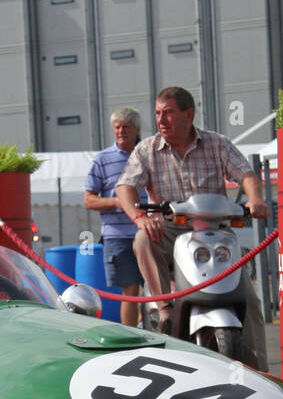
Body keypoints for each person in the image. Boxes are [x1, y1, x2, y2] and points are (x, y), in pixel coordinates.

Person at [115, 86, 269, 369]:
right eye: (158, 114)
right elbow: (125, 186)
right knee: (141, 239)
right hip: (169, 231)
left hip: (216, 233)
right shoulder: (147, 149)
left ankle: (262, 372)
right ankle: (164, 310)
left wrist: (256, 199)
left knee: (249, 300)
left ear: (189, 114)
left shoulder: (217, 143)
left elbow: (245, 173)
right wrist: (140, 216)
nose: (161, 120)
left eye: (169, 113)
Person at [84, 107, 143, 327]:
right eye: (117, 127)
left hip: (150, 230)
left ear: (137, 129)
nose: (120, 131)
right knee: (130, 289)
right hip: (118, 235)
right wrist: (118, 202)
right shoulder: (102, 159)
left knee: (161, 287)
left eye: (126, 127)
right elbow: (89, 200)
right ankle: (132, 335)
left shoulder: (149, 154)